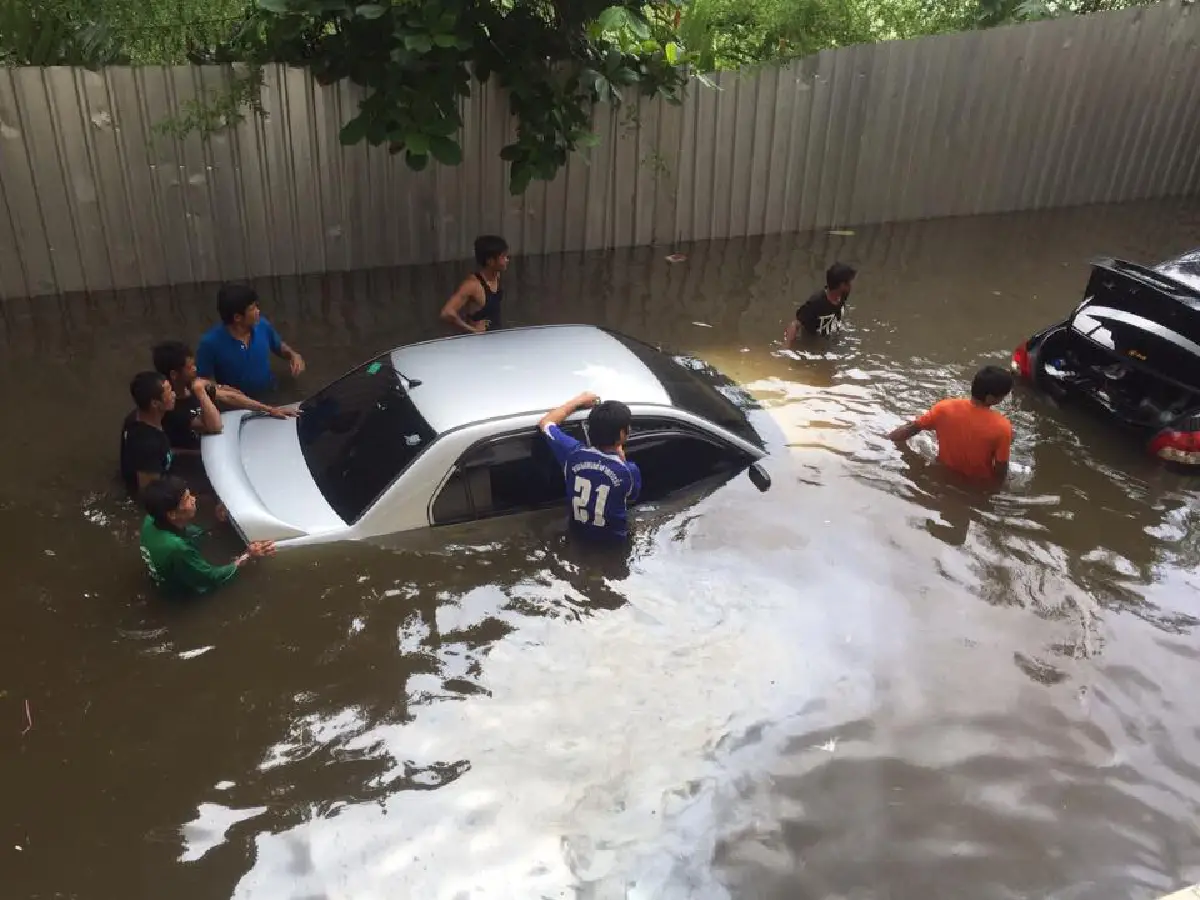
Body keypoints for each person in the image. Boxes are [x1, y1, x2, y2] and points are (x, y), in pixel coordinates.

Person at [153, 340, 297, 454]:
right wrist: (201, 392)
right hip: (197, 460)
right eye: (190, 367)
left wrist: (269, 409)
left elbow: (230, 396)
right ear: (174, 375)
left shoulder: (190, 386)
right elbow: (214, 426)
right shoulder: (170, 407)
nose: (195, 369)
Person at [139, 476, 275, 596]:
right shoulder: (177, 548)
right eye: (187, 499)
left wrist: (217, 522)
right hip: (182, 595)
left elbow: (191, 532)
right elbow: (212, 577)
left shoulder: (150, 520)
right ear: (172, 514)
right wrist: (247, 555)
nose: (194, 499)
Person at [539, 392, 641, 541]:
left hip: (578, 536)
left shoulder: (572, 454)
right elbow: (631, 497)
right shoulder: (629, 471)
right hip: (614, 544)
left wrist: (578, 401)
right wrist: (622, 459)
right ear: (621, 433)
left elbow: (546, 423)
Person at [887, 365, 1014, 482]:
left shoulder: (944, 408)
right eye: (1003, 396)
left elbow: (911, 429)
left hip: (944, 473)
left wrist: (886, 441)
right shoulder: (1002, 427)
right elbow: (1000, 468)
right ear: (991, 398)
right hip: (977, 483)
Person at [196, 284, 306, 399]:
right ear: (237, 317)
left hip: (270, 394)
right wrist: (219, 388)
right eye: (252, 309)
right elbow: (201, 382)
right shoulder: (210, 344)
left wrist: (293, 355)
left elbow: (278, 346)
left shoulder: (262, 325)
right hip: (238, 404)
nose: (258, 311)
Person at [120, 371, 177, 496]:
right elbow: (149, 493)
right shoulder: (147, 445)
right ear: (155, 403)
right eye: (169, 392)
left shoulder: (137, 416)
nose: (174, 394)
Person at [440, 235, 509, 334]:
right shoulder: (472, 285)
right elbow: (446, 313)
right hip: (478, 344)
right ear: (490, 261)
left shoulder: (496, 276)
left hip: (496, 339)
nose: (507, 260)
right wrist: (473, 330)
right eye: (503, 257)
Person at [784, 262, 857, 342]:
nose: (851, 285)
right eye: (849, 282)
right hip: (812, 343)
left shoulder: (842, 296)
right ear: (842, 285)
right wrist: (785, 349)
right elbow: (794, 325)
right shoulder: (816, 303)